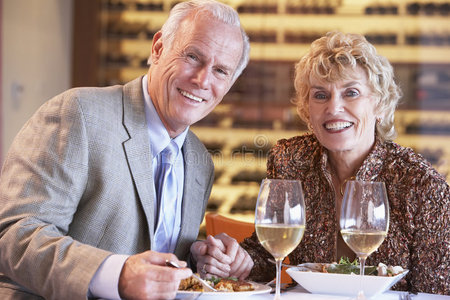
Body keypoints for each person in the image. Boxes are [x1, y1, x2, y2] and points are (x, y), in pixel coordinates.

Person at [0, 1, 250, 299]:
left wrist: (200, 258)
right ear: (158, 48)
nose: (202, 80)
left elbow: (154, 253)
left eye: (221, 71)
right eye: (193, 56)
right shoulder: (79, 113)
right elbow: (15, 235)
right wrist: (118, 275)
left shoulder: (199, 161)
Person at [191, 31, 449, 295]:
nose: (334, 108)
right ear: (307, 109)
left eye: (351, 93)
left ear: (380, 105)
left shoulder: (422, 186)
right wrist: (236, 260)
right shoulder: (291, 159)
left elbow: (436, 292)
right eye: (321, 95)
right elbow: (268, 254)